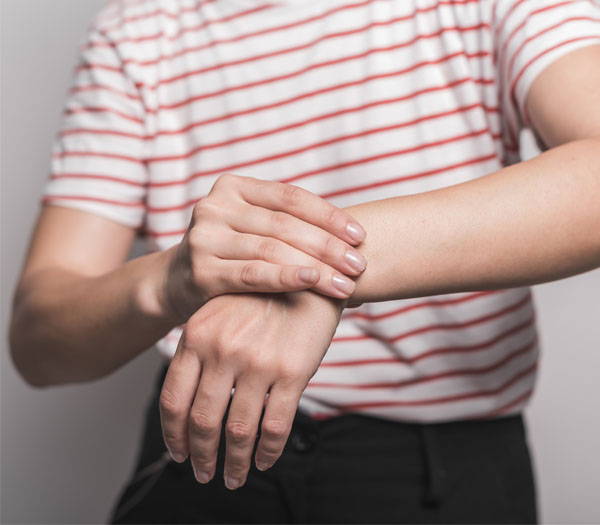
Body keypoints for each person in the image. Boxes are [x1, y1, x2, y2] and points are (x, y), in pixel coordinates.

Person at [9, 0, 600, 523]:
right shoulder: (135, 35)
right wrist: (172, 279)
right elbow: (40, 343)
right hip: (199, 450)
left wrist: (317, 275)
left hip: (442, 470)